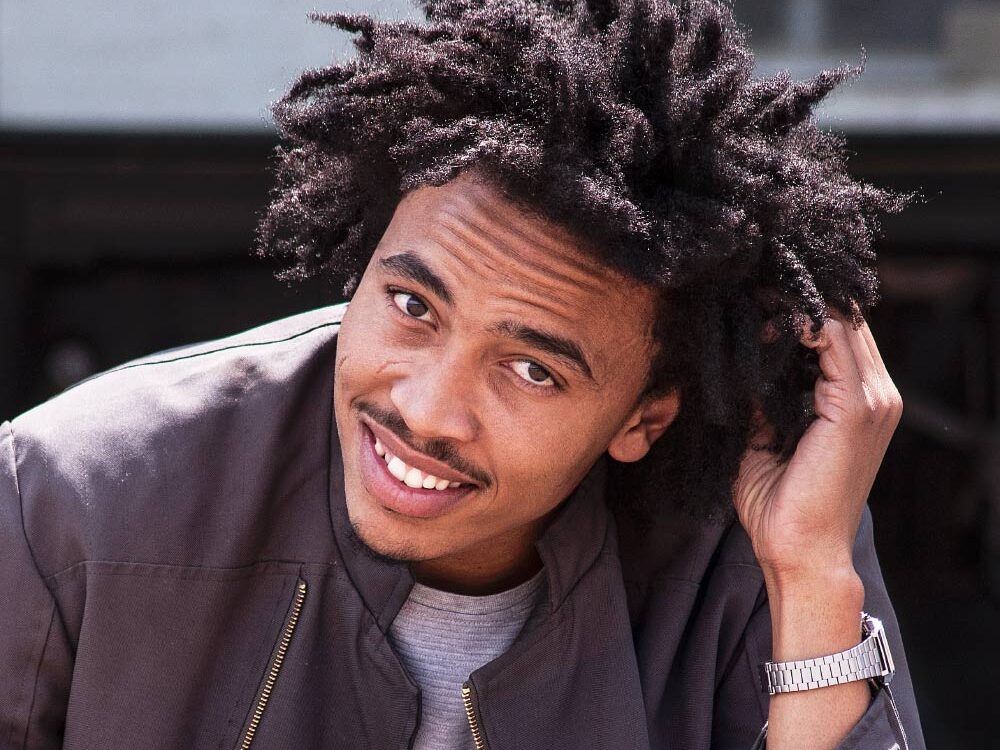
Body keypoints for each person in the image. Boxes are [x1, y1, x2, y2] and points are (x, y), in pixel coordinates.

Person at [0, 0, 925, 748]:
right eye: (413, 307)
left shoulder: (758, 547)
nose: (428, 411)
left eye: (530, 368)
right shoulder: (73, 498)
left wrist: (811, 578)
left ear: (643, 418)